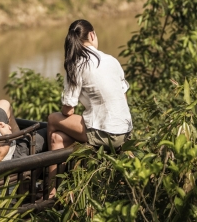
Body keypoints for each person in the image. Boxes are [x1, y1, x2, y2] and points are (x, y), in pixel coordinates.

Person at [46, 20, 132, 193]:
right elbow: (123, 96)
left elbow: (68, 110)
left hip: (105, 133)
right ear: (92, 35)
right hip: (125, 131)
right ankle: (58, 188)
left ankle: (51, 191)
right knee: (58, 138)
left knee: (53, 119)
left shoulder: (76, 65)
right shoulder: (112, 60)